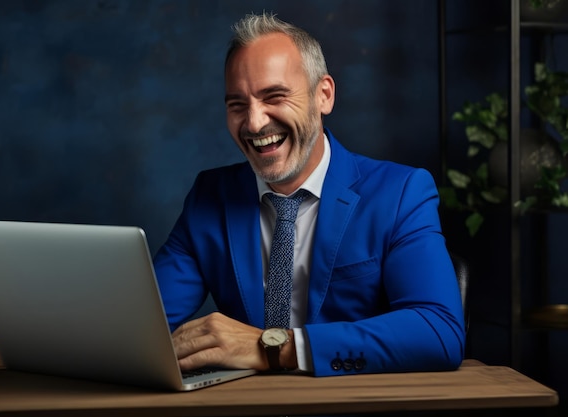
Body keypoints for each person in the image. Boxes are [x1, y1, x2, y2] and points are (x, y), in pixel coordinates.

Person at [153, 12, 465, 377]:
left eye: (275, 96)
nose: (254, 123)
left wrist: (274, 348)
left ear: (324, 95)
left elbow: (438, 332)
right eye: (237, 104)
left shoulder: (400, 193)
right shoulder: (210, 197)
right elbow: (141, 327)